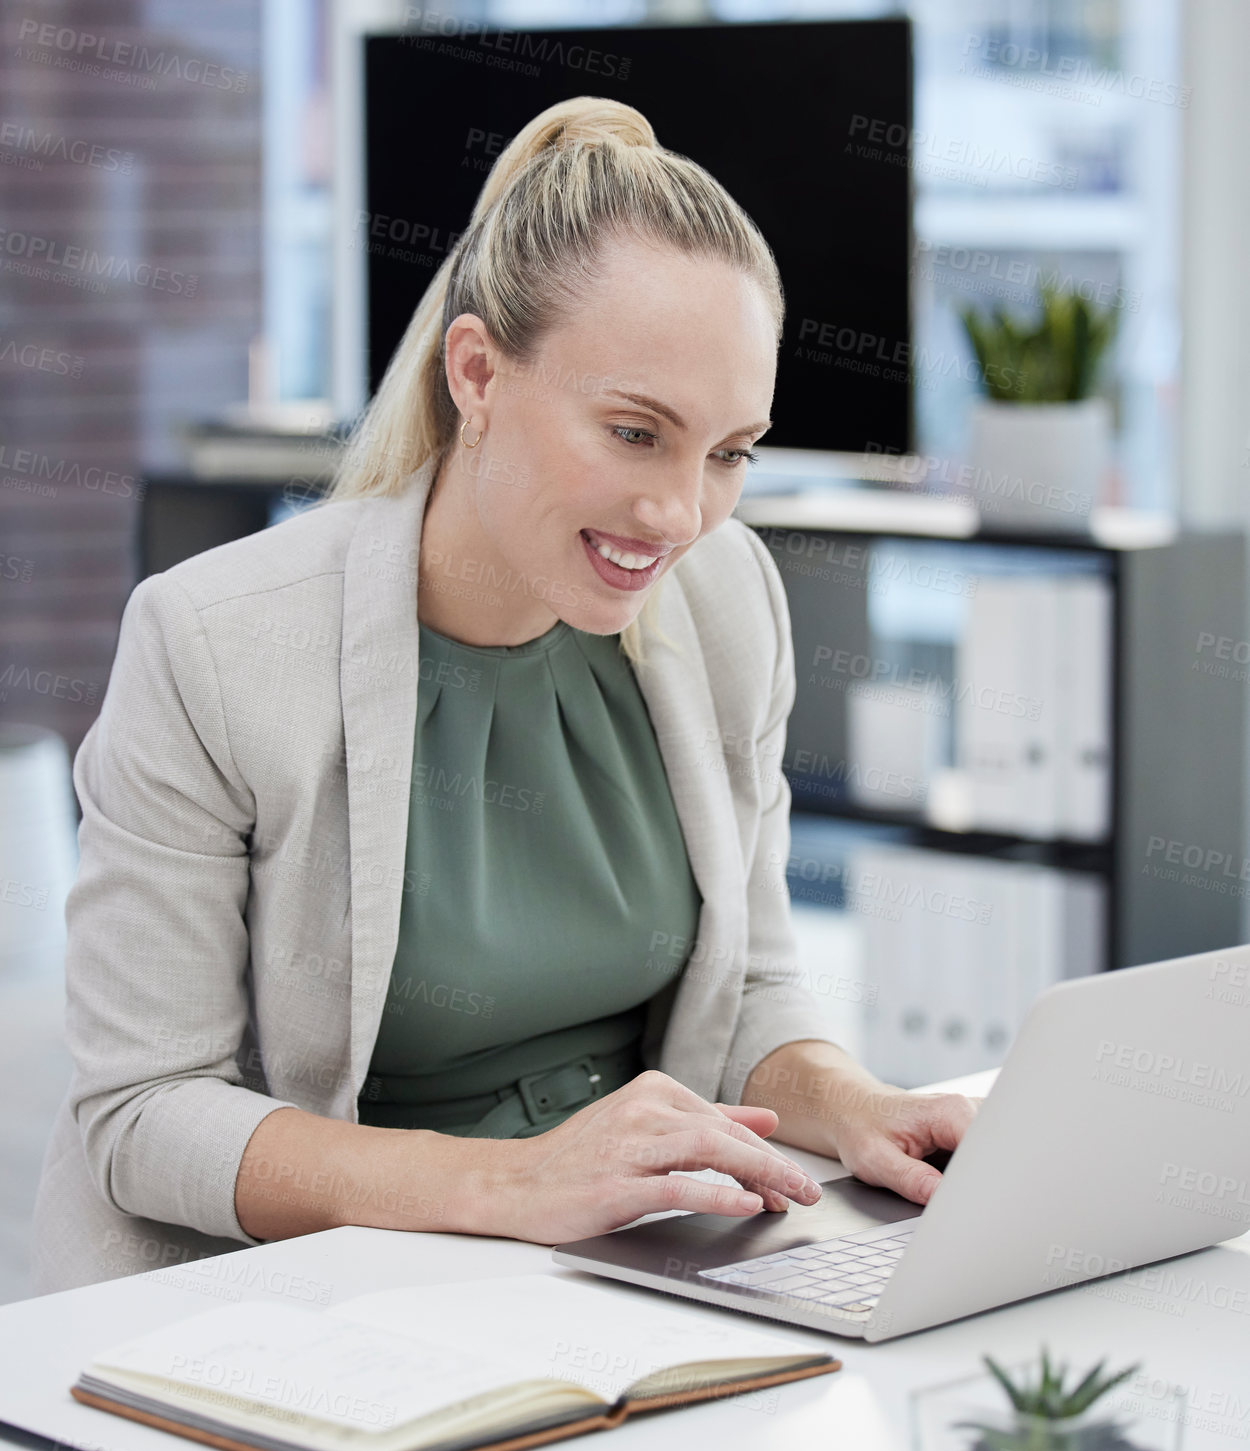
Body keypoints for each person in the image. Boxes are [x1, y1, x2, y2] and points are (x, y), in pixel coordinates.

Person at [31, 97, 977, 1293]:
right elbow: (144, 1114)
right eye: (635, 432)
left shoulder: (725, 599)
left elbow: (746, 989)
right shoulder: (214, 644)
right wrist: (513, 1183)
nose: (681, 515)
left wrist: (852, 1106)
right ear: (476, 372)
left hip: (630, 1261)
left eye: (730, 451)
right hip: (315, 1292)